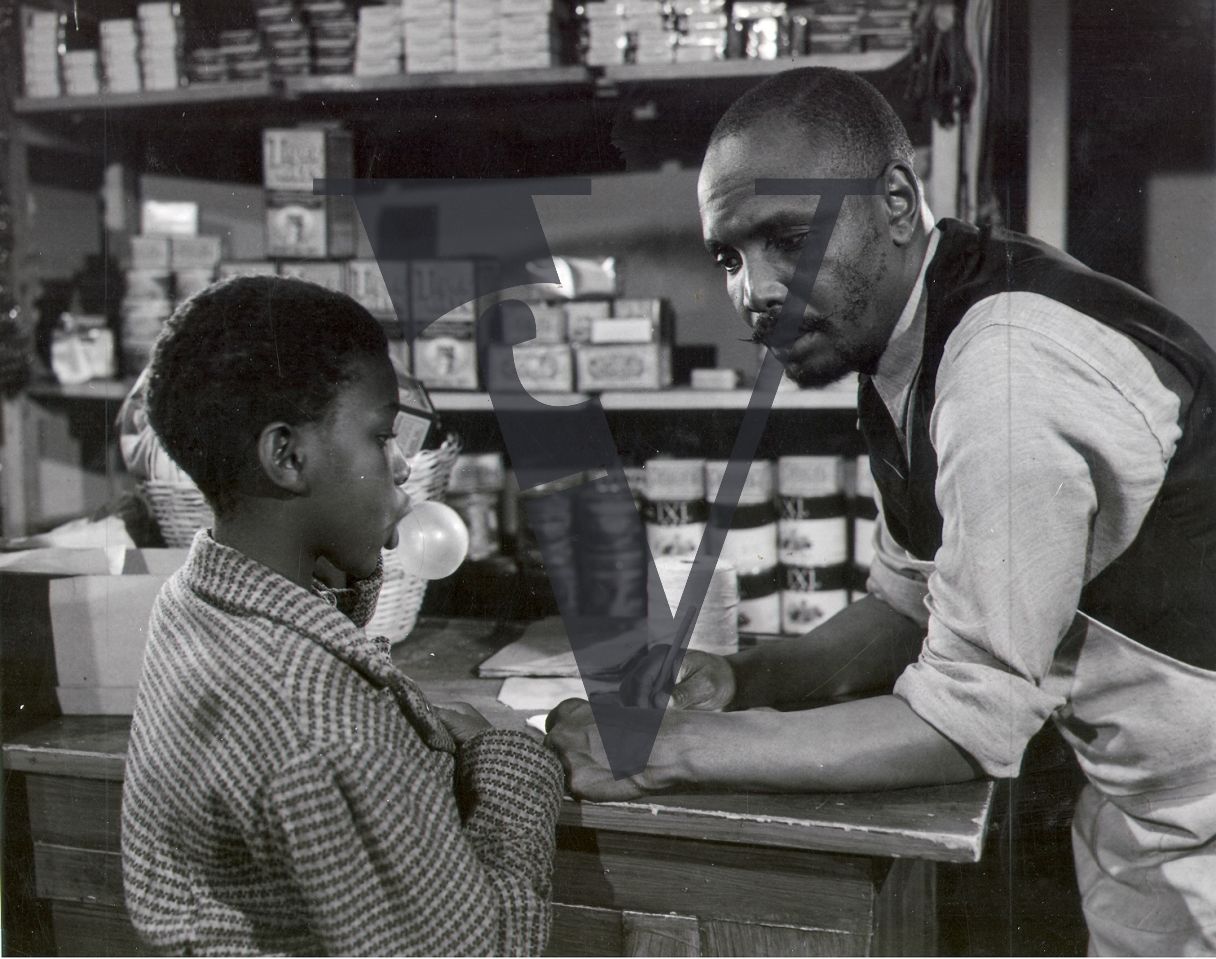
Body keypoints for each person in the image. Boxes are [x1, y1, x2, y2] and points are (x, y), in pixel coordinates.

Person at [545, 67, 1216, 955]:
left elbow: (961, 723)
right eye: (730, 257)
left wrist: (675, 747)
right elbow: (908, 604)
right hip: (1149, 809)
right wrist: (751, 678)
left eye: (788, 236)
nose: (755, 292)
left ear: (897, 202)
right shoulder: (907, 339)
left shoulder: (1003, 368)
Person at [120, 275, 564, 956]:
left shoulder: (191, 601)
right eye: (382, 437)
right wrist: (510, 760)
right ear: (287, 455)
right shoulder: (325, 733)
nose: (402, 466)